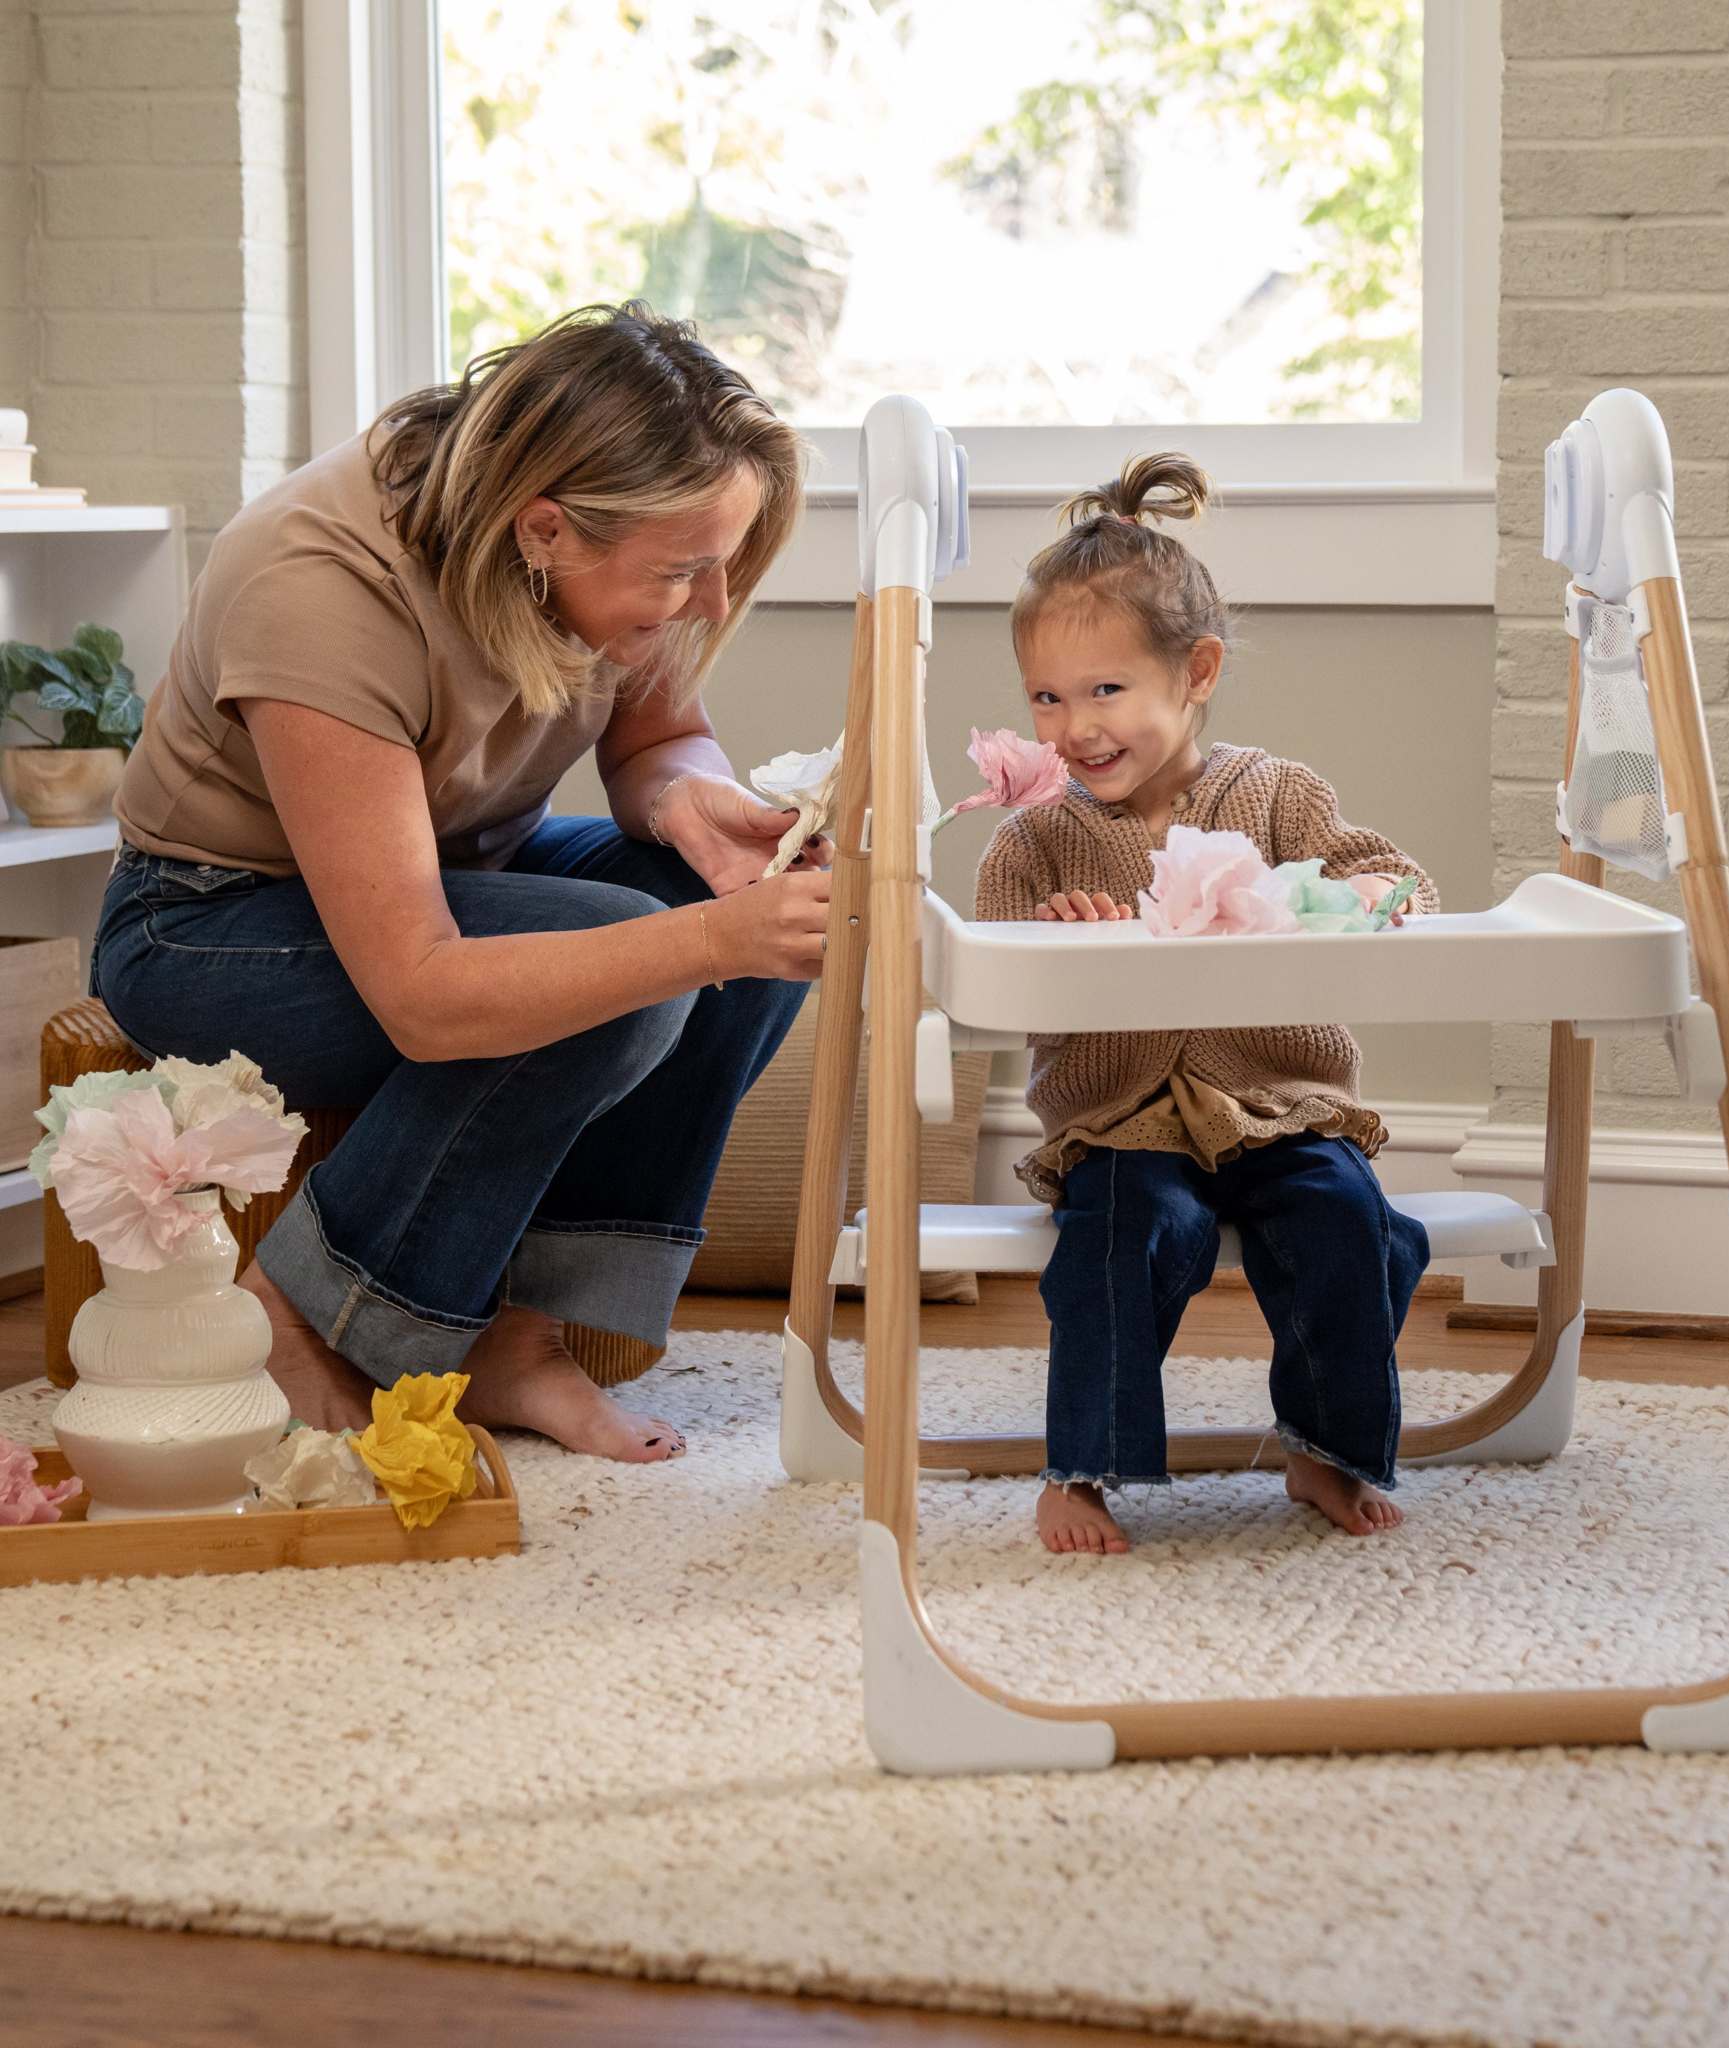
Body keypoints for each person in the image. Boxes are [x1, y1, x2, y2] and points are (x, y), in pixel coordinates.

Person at [91, 303, 833, 1464]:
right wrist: (710, 943)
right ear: (544, 530)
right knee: (658, 963)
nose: (709, 599)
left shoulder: (619, 532)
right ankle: (306, 1313)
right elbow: (424, 993)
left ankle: (519, 1333)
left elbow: (657, 739)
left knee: (721, 917)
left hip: (452, 865)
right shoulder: (319, 585)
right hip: (204, 921)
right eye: (684, 571)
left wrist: (691, 804)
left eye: (723, 563)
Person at [974, 454, 1436, 1554]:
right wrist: (1055, 938)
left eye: (1105, 691)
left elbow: (1398, 882)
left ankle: (1324, 1446)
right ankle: (1082, 1466)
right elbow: (994, 963)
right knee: (1123, 1236)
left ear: (1197, 672)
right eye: (1045, 697)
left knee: (1351, 1222)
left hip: (1280, 1104)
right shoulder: (1035, 838)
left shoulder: (1278, 794)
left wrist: (1359, 898)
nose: (1074, 726)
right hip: (1120, 1120)